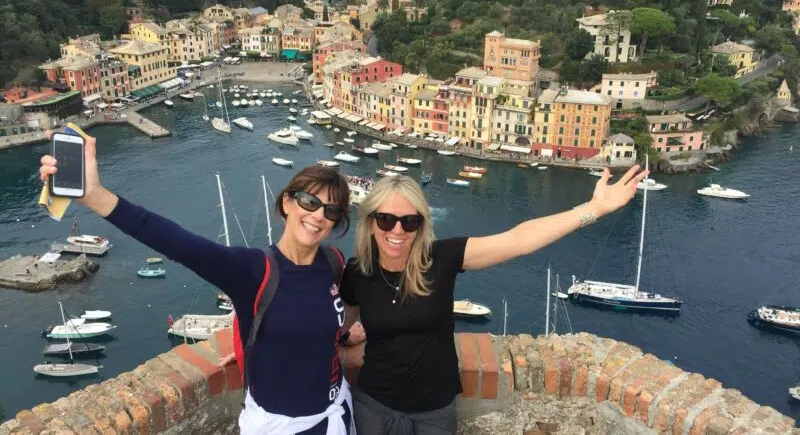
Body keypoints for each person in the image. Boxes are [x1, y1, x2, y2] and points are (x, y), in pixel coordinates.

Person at [38, 132, 363, 435]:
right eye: (309, 201)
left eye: (331, 210)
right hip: (282, 426)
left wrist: (345, 334)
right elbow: (174, 241)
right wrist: (95, 196)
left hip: (336, 413)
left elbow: (322, 318)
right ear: (287, 203)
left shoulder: (333, 262)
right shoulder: (251, 270)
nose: (318, 214)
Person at [338, 167, 647, 434]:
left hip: (434, 412)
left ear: (421, 225)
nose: (397, 230)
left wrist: (595, 208)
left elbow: (519, 239)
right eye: (386, 219)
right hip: (373, 407)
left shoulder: (441, 259)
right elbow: (337, 326)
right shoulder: (356, 272)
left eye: (409, 222)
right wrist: (346, 336)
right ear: (369, 221)